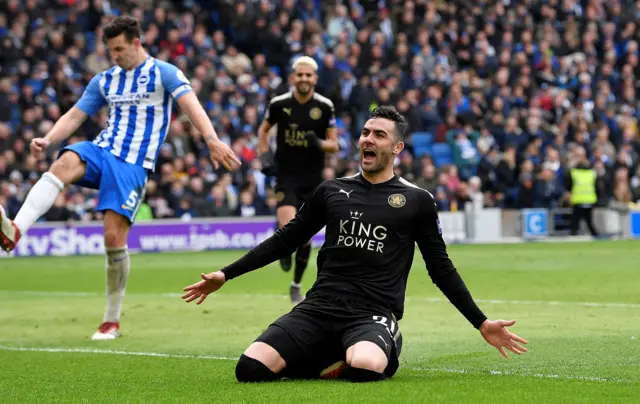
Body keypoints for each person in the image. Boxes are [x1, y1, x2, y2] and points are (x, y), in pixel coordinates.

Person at [182, 106, 528, 383]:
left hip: (371, 313)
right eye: (365, 133)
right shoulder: (332, 191)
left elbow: (440, 268)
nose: (369, 139)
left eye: (379, 135)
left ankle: (378, 343)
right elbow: (286, 239)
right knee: (250, 370)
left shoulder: (417, 200)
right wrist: (226, 275)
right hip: (319, 307)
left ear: (396, 148)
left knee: (364, 368)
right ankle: (328, 355)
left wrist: (480, 322)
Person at [0, 16, 240, 340]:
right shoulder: (105, 80)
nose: (115, 56)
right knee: (62, 163)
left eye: (119, 49)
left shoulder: (164, 73)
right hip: (102, 150)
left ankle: (111, 320)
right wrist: (49, 138)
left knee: (113, 240)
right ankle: (15, 231)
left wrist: (211, 140)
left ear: (136, 43)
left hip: (133, 165)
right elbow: (75, 114)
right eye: (110, 51)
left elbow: (190, 104)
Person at [257, 56, 339, 305]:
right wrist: (264, 157)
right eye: (299, 75)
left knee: (304, 239)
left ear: (314, 78)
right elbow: (263, 131)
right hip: (286, 176)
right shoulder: (279, 104)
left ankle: (296, 284)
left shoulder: (325, 107)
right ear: (293, 78)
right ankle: (283, 240)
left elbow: (334, 145)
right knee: (289, 231)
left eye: (308, 75)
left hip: (313, 180)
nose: (304, 79)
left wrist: (319, 143)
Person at [565, 147, 599, 237]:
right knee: (581, 222)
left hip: (586, 199)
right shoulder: (576, 171)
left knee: (581, 222)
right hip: (580, 199)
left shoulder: (586, 170)